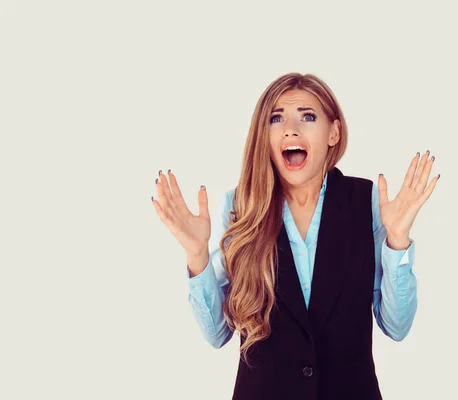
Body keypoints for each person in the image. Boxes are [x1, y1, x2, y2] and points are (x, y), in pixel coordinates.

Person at [152, 72, 440, 400]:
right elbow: (218, 334)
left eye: (307, 116)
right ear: (265, 135)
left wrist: (397, 239)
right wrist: (196, 254)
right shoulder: (239, 206)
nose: (291, 128)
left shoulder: (367, 202)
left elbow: (397, 326)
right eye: (277, 118)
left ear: (333, 132)